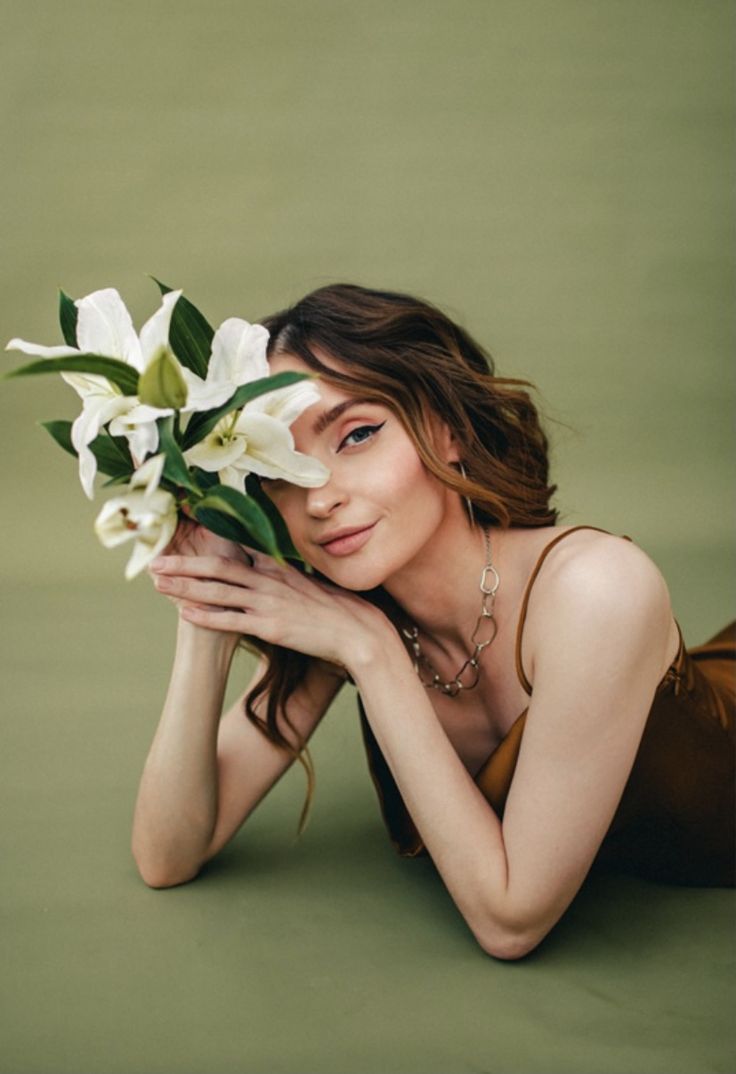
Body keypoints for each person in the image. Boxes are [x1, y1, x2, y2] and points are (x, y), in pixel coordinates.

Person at [132, 283, 735, 960]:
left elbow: (511, 923)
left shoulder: (597, 593)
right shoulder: (354, 614)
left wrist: (374, 656)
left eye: (357, 435)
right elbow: (167, 855)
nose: (320, 496)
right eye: (279, 470)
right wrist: (206, 602)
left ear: (447, 431)